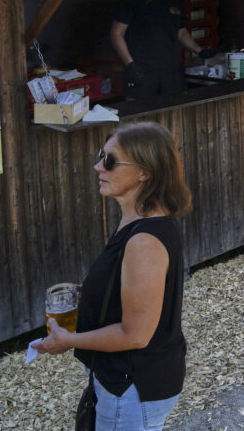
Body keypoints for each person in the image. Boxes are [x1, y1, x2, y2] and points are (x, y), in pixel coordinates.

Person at [35, 122, 193, 431]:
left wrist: (68, 341)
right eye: (100, 156)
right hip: (127, 380)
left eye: (109, 160)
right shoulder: (136, 222)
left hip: (132, 386)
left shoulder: (144, 240)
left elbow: (135, 335)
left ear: (144, 172)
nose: (97, 167)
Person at [111, 0, 215, 99]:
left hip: (170, 71)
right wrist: (130, 64)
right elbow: (117, 34)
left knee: (173, 112)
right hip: (142, 69)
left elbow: (182, 33)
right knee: (140, 116)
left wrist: (200, 51)